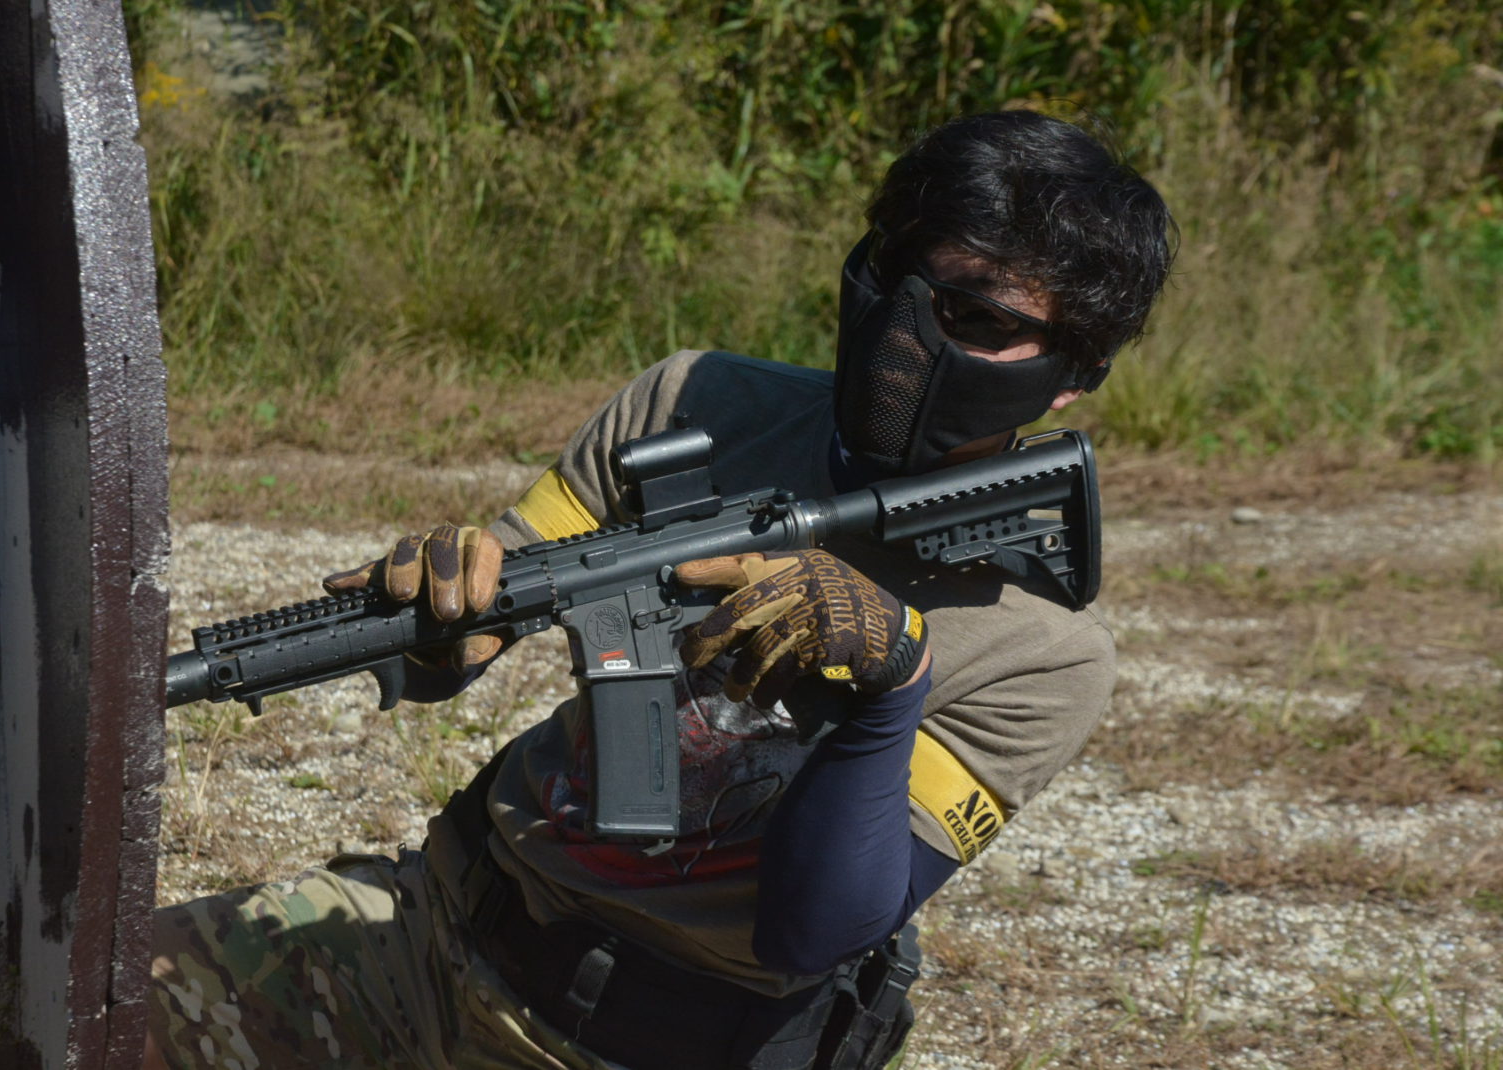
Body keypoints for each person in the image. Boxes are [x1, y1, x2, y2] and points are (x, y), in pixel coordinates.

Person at [145, 109, 1175, 1069]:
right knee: (81, 1002)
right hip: (432, 933)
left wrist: (892, 684)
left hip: (645, 1045)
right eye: (898, 276)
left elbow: (815, 929)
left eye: (971, 315)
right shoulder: (694, 404)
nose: (909, 331)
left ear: (1071, 374)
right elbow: (464, 637)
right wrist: (437, 613)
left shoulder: (1043, 653)